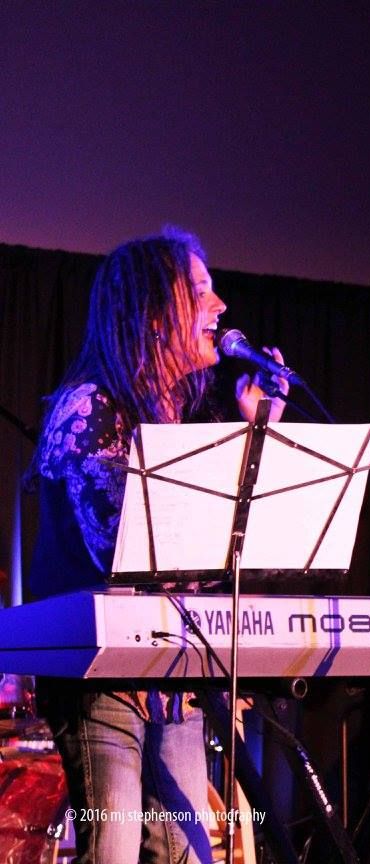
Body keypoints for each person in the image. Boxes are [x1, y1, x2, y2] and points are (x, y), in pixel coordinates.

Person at [28, 229, 288, 863]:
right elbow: (122, 548)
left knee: (187, 853)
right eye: (199, 292)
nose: (220, 306)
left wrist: (254, 434)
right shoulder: (89, 408)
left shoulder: (176, 418)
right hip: (103, 679)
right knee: (113, 847)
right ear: (151, 314)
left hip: (173, 672)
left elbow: (218, 552)